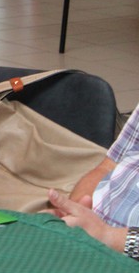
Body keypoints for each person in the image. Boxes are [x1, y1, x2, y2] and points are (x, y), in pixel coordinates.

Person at [45, 104, 139, 260]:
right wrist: (74, 211)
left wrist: (108, 236)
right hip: (88, 239)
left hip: (123, 260)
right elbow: (108, 165)